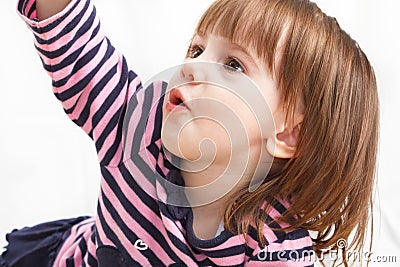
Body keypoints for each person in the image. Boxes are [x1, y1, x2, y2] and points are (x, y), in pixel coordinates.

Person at [1, 0, 378, 266]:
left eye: (233, 64)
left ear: (288, 135)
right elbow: (80, 55)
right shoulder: (139, 131)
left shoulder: (274, 245)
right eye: (197, 49)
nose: (191, 67)